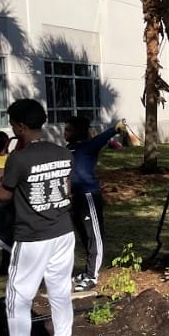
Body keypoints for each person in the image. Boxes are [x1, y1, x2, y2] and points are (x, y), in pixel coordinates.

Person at [0, 99, 76, 336]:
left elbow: (4, 196)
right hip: (63, 232)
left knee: (17, 298)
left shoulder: (19, 159)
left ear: (20, 126)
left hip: (32, 237)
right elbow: (66, 189)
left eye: (14, 124)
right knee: (60, 295)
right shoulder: (62, 152)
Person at [64, 115, 126, 291]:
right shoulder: (68, 149)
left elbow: (102, 137)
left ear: (77, 132)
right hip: (74, 198)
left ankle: (92, 277)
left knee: (94, 236)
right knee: (83, 235)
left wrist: (116, 128)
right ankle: (86, 272)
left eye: (68, 129)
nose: (64, 132)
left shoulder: (88, 147)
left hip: (88, 196)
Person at [0, 131, 14, 275]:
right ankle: (5, 265)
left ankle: (4, 266)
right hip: (10, 201)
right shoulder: (11, 159)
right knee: (8, 236)